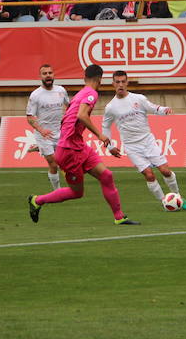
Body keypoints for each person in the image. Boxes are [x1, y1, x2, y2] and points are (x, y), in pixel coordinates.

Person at [28, 64, 139, 226]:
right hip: (69, 151)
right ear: (100, 79)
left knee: (107, 175)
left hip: (78, 146)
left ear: (85, 77)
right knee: (76, 192)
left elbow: (67, 119)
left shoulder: (81, 93)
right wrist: (100, 135)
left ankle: (119, 217)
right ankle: (37, 200)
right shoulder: (91, 93)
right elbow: (81, 116)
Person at [103, 71, 186, 211]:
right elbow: (105, 127)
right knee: (149, 175)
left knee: (165, 171)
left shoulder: (138, 99)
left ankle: (177, 196)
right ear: (113, 84)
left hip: (148, 141)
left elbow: (153, 108)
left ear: (127, 82)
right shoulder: (110, 107)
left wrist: (164, 110)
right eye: (117, 82)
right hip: (132, 147)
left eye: (123, 81)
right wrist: (110, 146)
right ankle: (164, 201)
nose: (120, 84)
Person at [26, 64, 71, 191]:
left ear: (53, 74)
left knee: (64, 161)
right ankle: (57, 190)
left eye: (50, 73)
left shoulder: (61, 91)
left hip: (59, 133)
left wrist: (68, 122)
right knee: (53, 163)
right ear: (40, 76)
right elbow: (29, 118)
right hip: (43, 135)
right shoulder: (36, 95)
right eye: (45, 73)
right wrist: (42, 130)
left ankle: (38, 148)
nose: (48, 76)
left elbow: (69, 107)